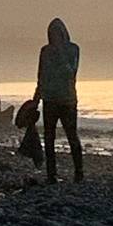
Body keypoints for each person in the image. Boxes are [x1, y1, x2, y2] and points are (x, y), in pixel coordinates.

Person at [33, 18, 83, 183]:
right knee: (49, 138)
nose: (54, 37)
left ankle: (79, 173)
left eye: (57, 34)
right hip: (49, 100)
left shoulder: (73, 49)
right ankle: (51, 174)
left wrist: (60, 53)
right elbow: (41, 75)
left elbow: (71, 72)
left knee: (72, 137)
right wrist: (36, 99)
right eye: (52, 34)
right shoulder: (45, 51)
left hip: (68, 100)